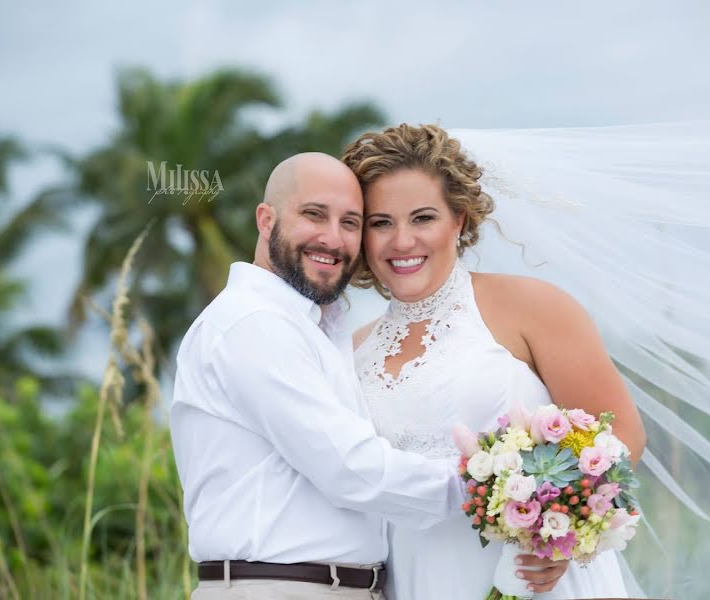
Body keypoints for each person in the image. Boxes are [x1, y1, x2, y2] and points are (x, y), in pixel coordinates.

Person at [170, 152, 567, 599]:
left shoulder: (321, 331)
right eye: (314, 215)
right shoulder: (253, 324)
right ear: (266, 220)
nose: (332, 238)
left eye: (351, 222)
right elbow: (350, 469)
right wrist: (503, 488)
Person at [343, 124, 645, 599]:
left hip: (530, 578)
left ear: (459, 220)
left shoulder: (532, 306)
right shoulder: (353, 350)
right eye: (381, 222)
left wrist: (561, 536)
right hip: (414, 580)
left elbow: (621, 435)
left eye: (422, 218)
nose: (402, 241)